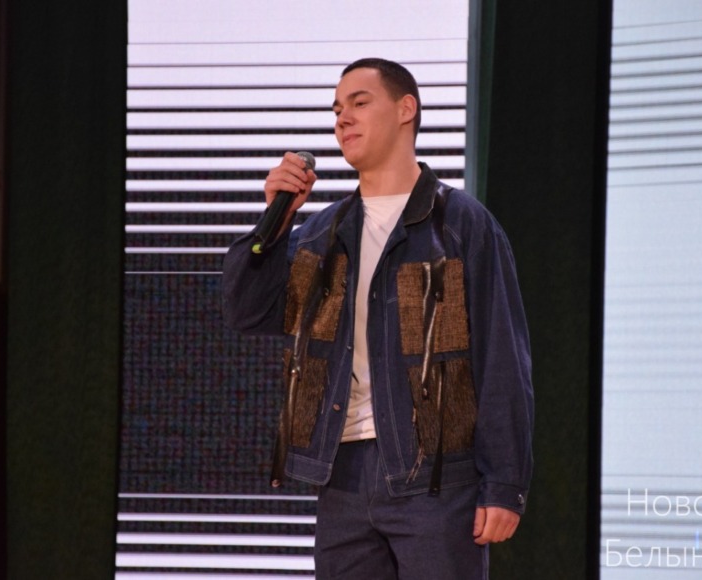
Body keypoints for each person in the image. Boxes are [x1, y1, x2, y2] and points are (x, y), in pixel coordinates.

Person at [223, 58, 533, 579]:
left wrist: (504, 483)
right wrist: (275, 222)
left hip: (436, 479)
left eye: (360, 103)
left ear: (406, 109)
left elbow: (502, 357)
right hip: (341, 476)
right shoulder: (322, 233)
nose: (342, 119)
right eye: (336, 110)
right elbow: (246, 310)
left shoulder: (459, 224)